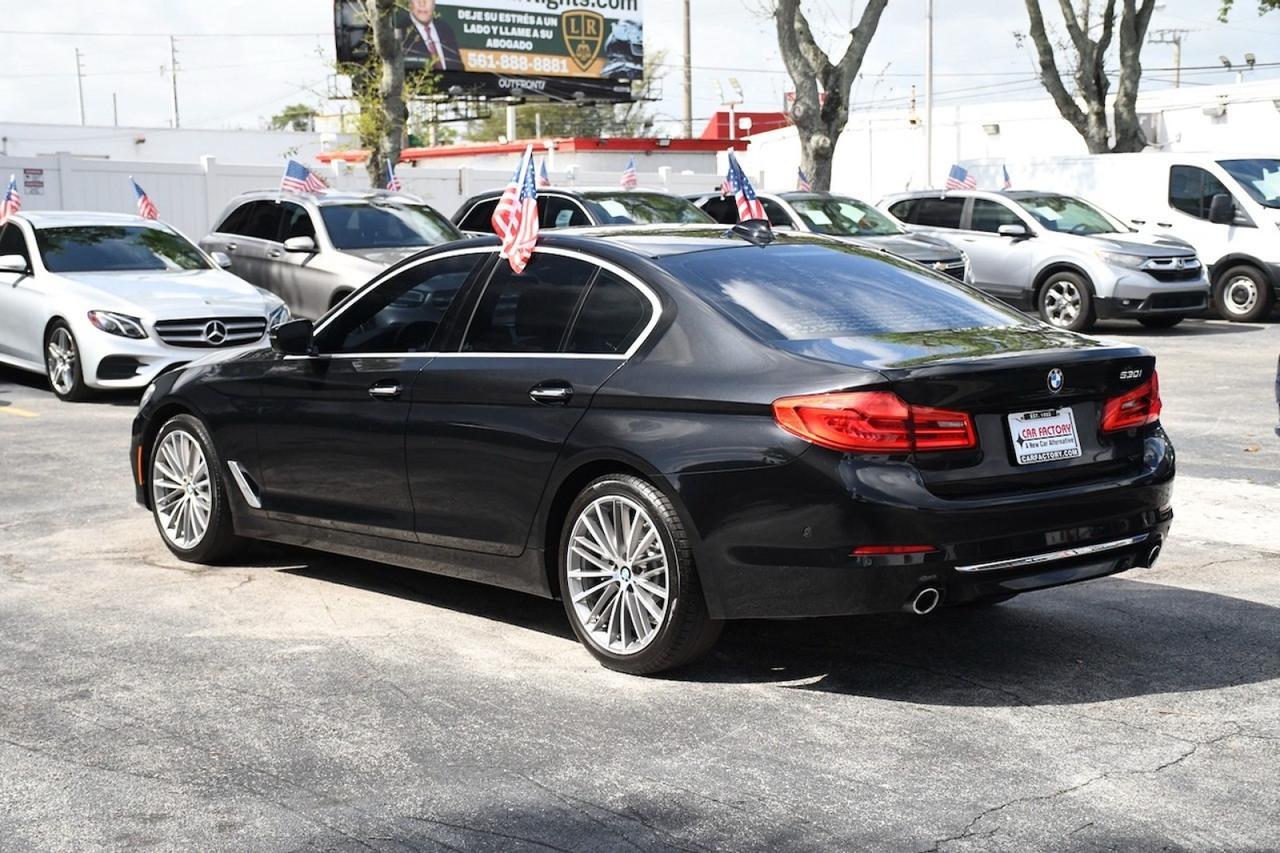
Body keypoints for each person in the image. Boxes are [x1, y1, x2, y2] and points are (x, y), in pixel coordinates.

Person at [402, 0, 462, 71]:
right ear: (409, 2)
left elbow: (458, 68)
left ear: (434, 2)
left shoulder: (446, 30)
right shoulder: (399, 33)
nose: (422, 3)